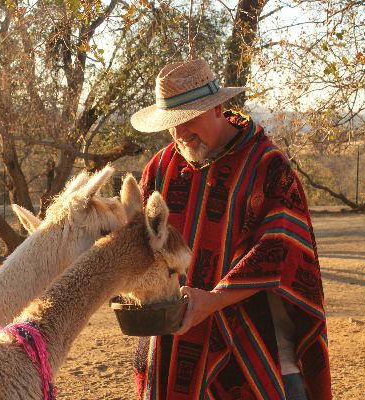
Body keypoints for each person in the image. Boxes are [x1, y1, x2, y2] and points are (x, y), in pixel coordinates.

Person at [130, 59, 331, 399]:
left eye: (188, 119)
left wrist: (213, 300)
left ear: (218, 107)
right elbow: (141, 246)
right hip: (176, 354)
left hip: (261, 356)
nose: (180, 134)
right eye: (171, 125)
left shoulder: (267, 166)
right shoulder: (162, 168)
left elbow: (281, 251)